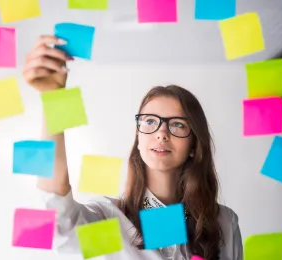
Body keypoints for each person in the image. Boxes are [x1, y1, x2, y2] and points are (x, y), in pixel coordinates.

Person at [22, 35, 243, 260]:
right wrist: (53, 98)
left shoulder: (224, 222)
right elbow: (56, 223)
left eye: (177, 124)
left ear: (194, 144)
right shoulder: (108, 217)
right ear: (138, 138)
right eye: (149, 121)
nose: (161, 133)